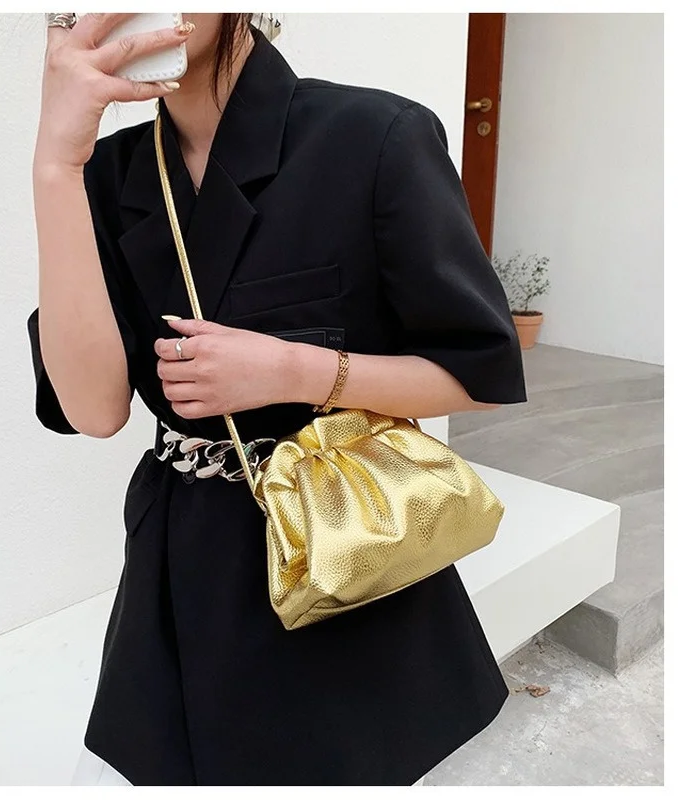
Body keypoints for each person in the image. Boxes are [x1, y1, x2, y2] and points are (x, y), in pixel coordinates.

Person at [29, 12, 527, 787]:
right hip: (180, 556)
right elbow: (94, 412)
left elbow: (480, 374)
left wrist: (297, 371)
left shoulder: (374, 137)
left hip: (340, 549)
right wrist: (56, 168)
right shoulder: (111, 173)